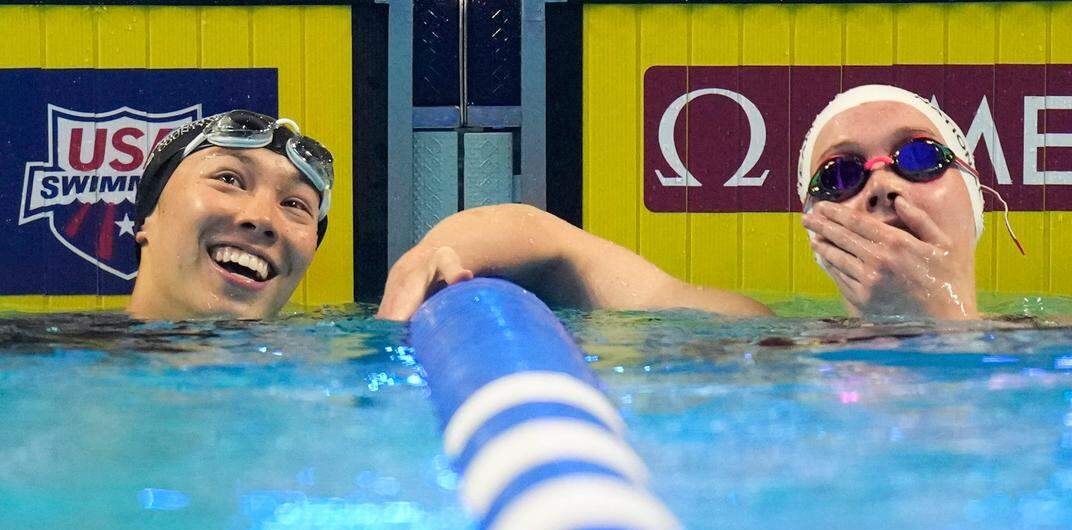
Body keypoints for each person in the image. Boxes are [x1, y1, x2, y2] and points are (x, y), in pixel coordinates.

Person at [379, 84, 1015, 322]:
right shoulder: (768, 346)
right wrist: (433, 253)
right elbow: (552, 242)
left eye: (920, 158)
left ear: (975, 193)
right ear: (814, 226)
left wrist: (945, 318)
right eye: (841, 173)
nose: (882, 186)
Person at [125, 110, 334, 320]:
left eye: (294, 204)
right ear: (148, 217)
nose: (263, 219)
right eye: (228, 179)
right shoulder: (93, 345)